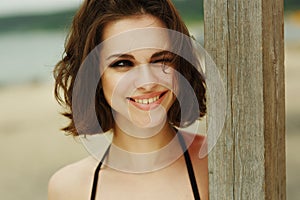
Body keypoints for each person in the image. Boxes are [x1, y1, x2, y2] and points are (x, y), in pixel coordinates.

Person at [48, 0, 208, 199]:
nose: (147, 82)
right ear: (93, 76)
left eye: (161, 60)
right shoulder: (69, 188)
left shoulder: (214, 163)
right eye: (123, 63)